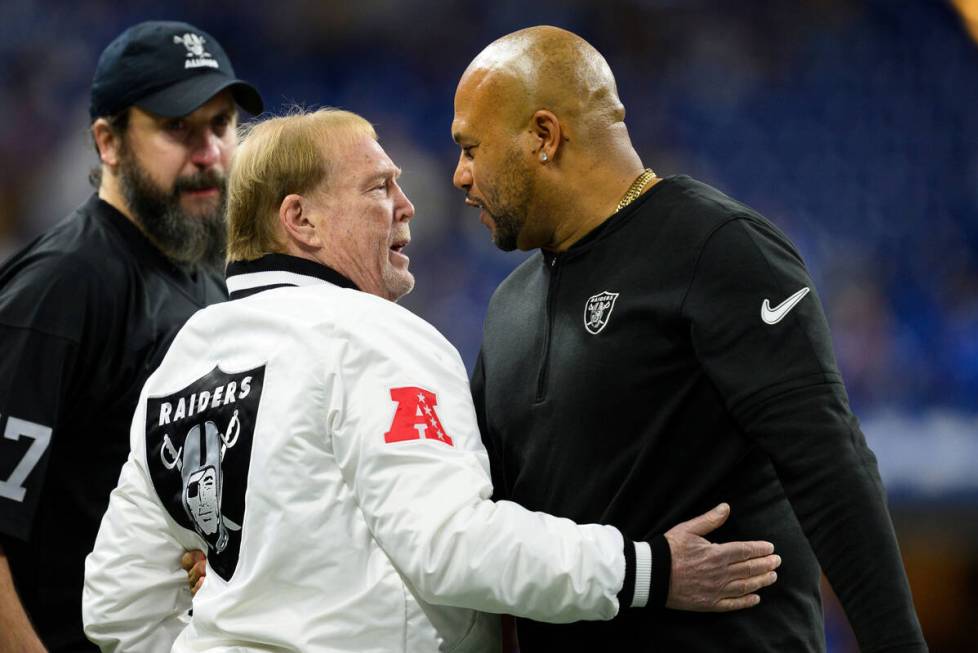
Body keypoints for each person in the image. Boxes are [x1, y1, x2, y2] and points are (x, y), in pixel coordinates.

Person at [83, 108, 781, 652]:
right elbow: (453, 545)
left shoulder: (187, 358)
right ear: (300, 220)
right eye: (379, 187)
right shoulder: (373, 335)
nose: (408, 205)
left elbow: (114, 598)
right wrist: (645, 569)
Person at [454, 26, 927, 652]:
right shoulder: (507, 307)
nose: (460, 175)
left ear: (544, 135)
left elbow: (829, 465)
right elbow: (498, 530)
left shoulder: (718, 246)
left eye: (470, 147)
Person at [0, 20, 262, 652]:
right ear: (108, 142)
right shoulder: (64, 286)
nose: (209, 154)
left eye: (221, 124)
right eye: (178, 129)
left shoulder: (209, 278)